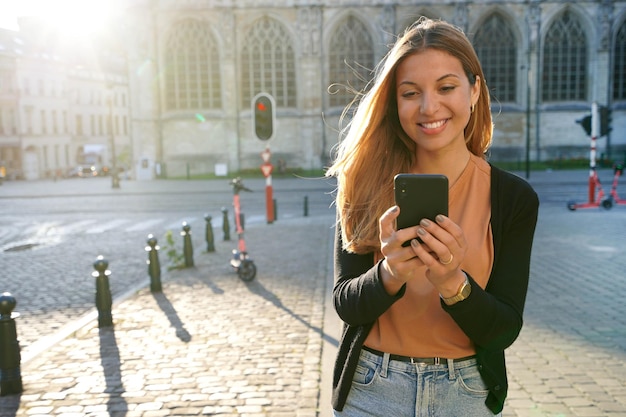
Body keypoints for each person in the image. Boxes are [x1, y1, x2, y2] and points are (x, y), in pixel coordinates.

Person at [325, 18, 539, 416]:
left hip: (467, 392)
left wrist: (452, 282)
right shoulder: (362, 182)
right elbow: (346, 305)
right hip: (372, 389)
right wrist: (390, 275)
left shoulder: (513, 198)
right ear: (394, 101)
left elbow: (504, 328)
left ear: (475, 91)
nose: (429, 107)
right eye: (410, 93)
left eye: (446, 87)